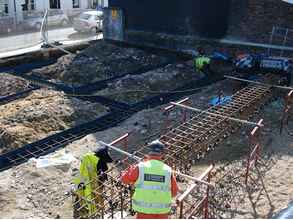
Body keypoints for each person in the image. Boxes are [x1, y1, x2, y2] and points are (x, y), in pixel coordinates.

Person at [121, 140, 178, 219]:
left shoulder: (140, 167)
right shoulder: (168, 170)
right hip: (162, 213)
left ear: (148, 153)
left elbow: (124, 180)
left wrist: (130, 170)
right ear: (162, 154)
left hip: (144, 212)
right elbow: (174, 192)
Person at [73, 146, 113, 217]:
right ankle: (101, 209)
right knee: (98, 193)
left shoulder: (91, 156)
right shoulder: (100, 162)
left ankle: (100, 206)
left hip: (88, 176)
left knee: (96, 192)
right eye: (107, 152)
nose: (109, 153)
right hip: (95, 179)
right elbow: (103, 172)